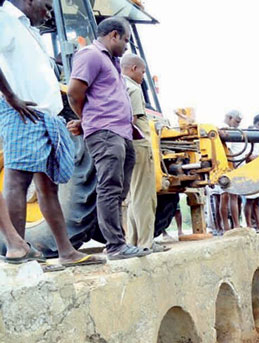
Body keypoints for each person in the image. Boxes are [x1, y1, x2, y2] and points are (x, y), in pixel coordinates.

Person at [0, 0, 104, 267]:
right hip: (24, 110)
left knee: (48, 186)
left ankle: (66, 251)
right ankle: (17, 248)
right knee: (18, 179)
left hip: (45, 114)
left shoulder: (28, 28)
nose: (48, 12)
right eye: (46, 5)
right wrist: (11, 97)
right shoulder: (5, 18)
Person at [67, 17, 147, 260]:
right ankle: (115, 246)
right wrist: (88, 120)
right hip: (106, 132)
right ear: (113, 35)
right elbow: (74, 92)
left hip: (122, 133)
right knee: (109, 187)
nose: (126, 46)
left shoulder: (110, 62)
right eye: (125, 40)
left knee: (119, 189)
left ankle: (118, 240)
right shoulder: (90, 55)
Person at [120, 53, 167, 252]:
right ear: (133, 69)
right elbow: (132, 120)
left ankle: (133, 241)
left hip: (126, 146)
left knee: (132, 196)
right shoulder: (133, 88)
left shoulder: (118, 85)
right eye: (142, 71)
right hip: (139, 145)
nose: (143, 76)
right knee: (145, 196)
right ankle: (146, 243)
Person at [218, 110, 243, 231]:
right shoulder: (222, 128)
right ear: (229, 118)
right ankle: (227, 226)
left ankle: (235, 225)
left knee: (233, 196)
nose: (237, 124)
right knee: (225, 196)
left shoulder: (233, 131)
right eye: (236, 121)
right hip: (224, 166)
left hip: (232, 166)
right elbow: (229, 151)